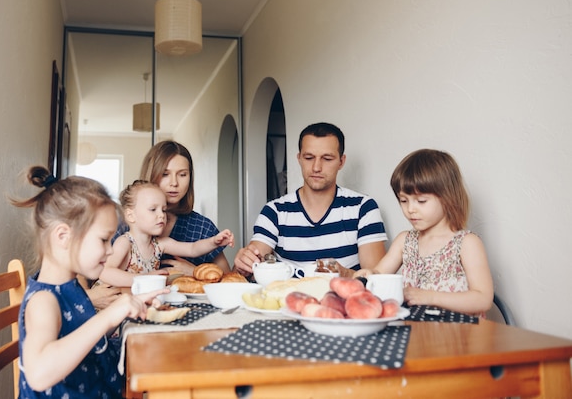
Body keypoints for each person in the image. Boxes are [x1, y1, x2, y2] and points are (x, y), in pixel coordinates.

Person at [10, 166, 168, 397]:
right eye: (104, 239)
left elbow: (86, 338)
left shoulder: (69, 286)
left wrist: (125, 308)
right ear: (64, 236)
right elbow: (39, 374)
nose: (110, 249)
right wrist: (108, 316)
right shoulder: (44, 300)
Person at [234, 122, 388, 277]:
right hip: (287, 299)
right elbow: (246, 271)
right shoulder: (275, 211)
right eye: (309, 157)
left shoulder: (363, 208)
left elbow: (377, 280)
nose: (316, 167)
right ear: (299, 158)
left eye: (327, 159)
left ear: (341, 162)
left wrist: (344, 274)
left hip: (343, 299)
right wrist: (243, 264)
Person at [355, 149, 493, 316]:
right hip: (417, 331)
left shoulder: (466, 243)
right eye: (403, 200)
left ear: (447, 197)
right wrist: (371, 274)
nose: (410, 209)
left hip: (459, 334)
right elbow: (379, 274)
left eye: (421, 201)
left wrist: (429, 297)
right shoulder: (404, 241)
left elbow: (483, 299)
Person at [99, 180, 235, 288]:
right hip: (107, 305)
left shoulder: (160, 244)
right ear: (131, 215)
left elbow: (192, 249)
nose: (161, 215)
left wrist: (213, 242)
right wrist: (146, 279)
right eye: (153, 209)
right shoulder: (125, 243)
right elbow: (105, 272)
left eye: (163, 210)